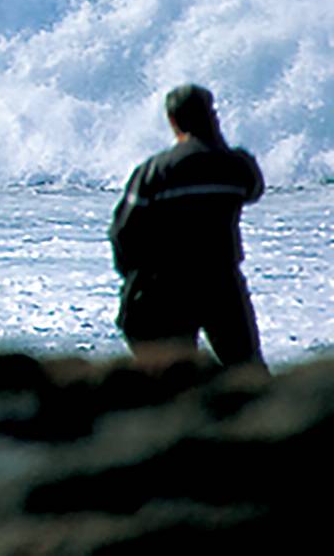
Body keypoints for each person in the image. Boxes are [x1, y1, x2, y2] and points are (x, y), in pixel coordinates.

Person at [109, 83, 265, 368]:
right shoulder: (234, 167)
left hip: (168, 286)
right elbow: (254, 188)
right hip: (222, 283)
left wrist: (134, 279)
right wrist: (217, 143)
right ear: (212, 117)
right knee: (248, 369)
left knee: (176, 378)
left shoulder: (156, 171)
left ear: (172, 121)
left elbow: (123, 233)